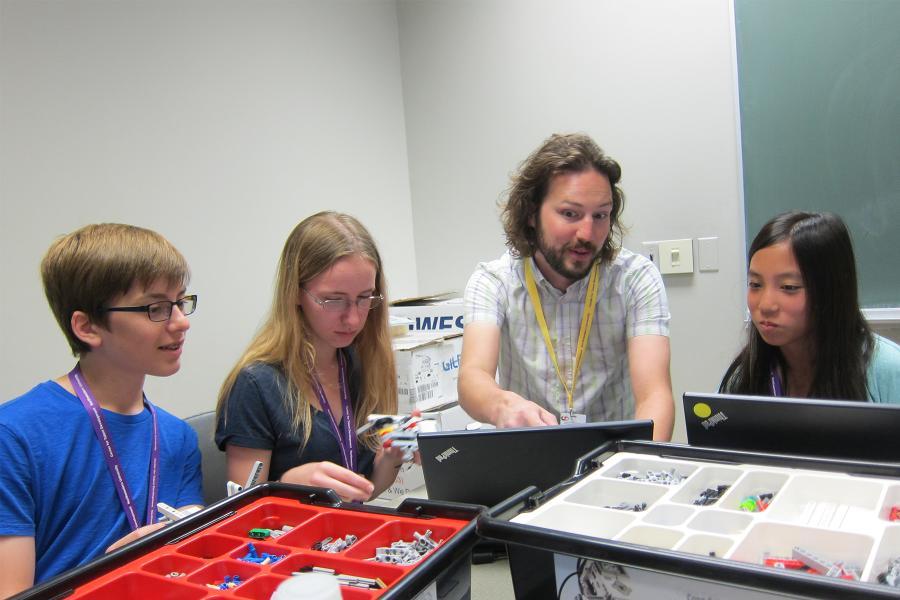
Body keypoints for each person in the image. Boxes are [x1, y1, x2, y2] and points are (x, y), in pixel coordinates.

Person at [0, 224, 203, 596]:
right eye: (156, 308)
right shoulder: (13, 436)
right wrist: (116, 572)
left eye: (180, 302)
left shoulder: (177, 437)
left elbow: (191, 568)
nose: (181, 321)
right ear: (88, 326)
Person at [459, 133, 674, 440]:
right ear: (532, 213)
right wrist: (502, 405)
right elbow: (473, 377)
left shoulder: (636, 278)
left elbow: (655, 394)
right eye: (570, 214)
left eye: (600, 215)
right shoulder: (493, 281)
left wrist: (641, 465)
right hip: (531, 455)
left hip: (615, 457)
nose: (587, 233)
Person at [215, 212, 402, 502]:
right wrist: (287, 484)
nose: (352, 318)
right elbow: (243, 513)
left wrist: (391, 457)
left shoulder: (363, 363)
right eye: (333, 299)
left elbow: (365, 491)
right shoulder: (256, 385)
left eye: (364, 298)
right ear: (295, 293)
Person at [720, 211, 900, 402]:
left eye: (789, 287)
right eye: (755, 284)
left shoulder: (887, 371)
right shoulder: (744, 375)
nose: (765, 305)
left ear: (831, 291)